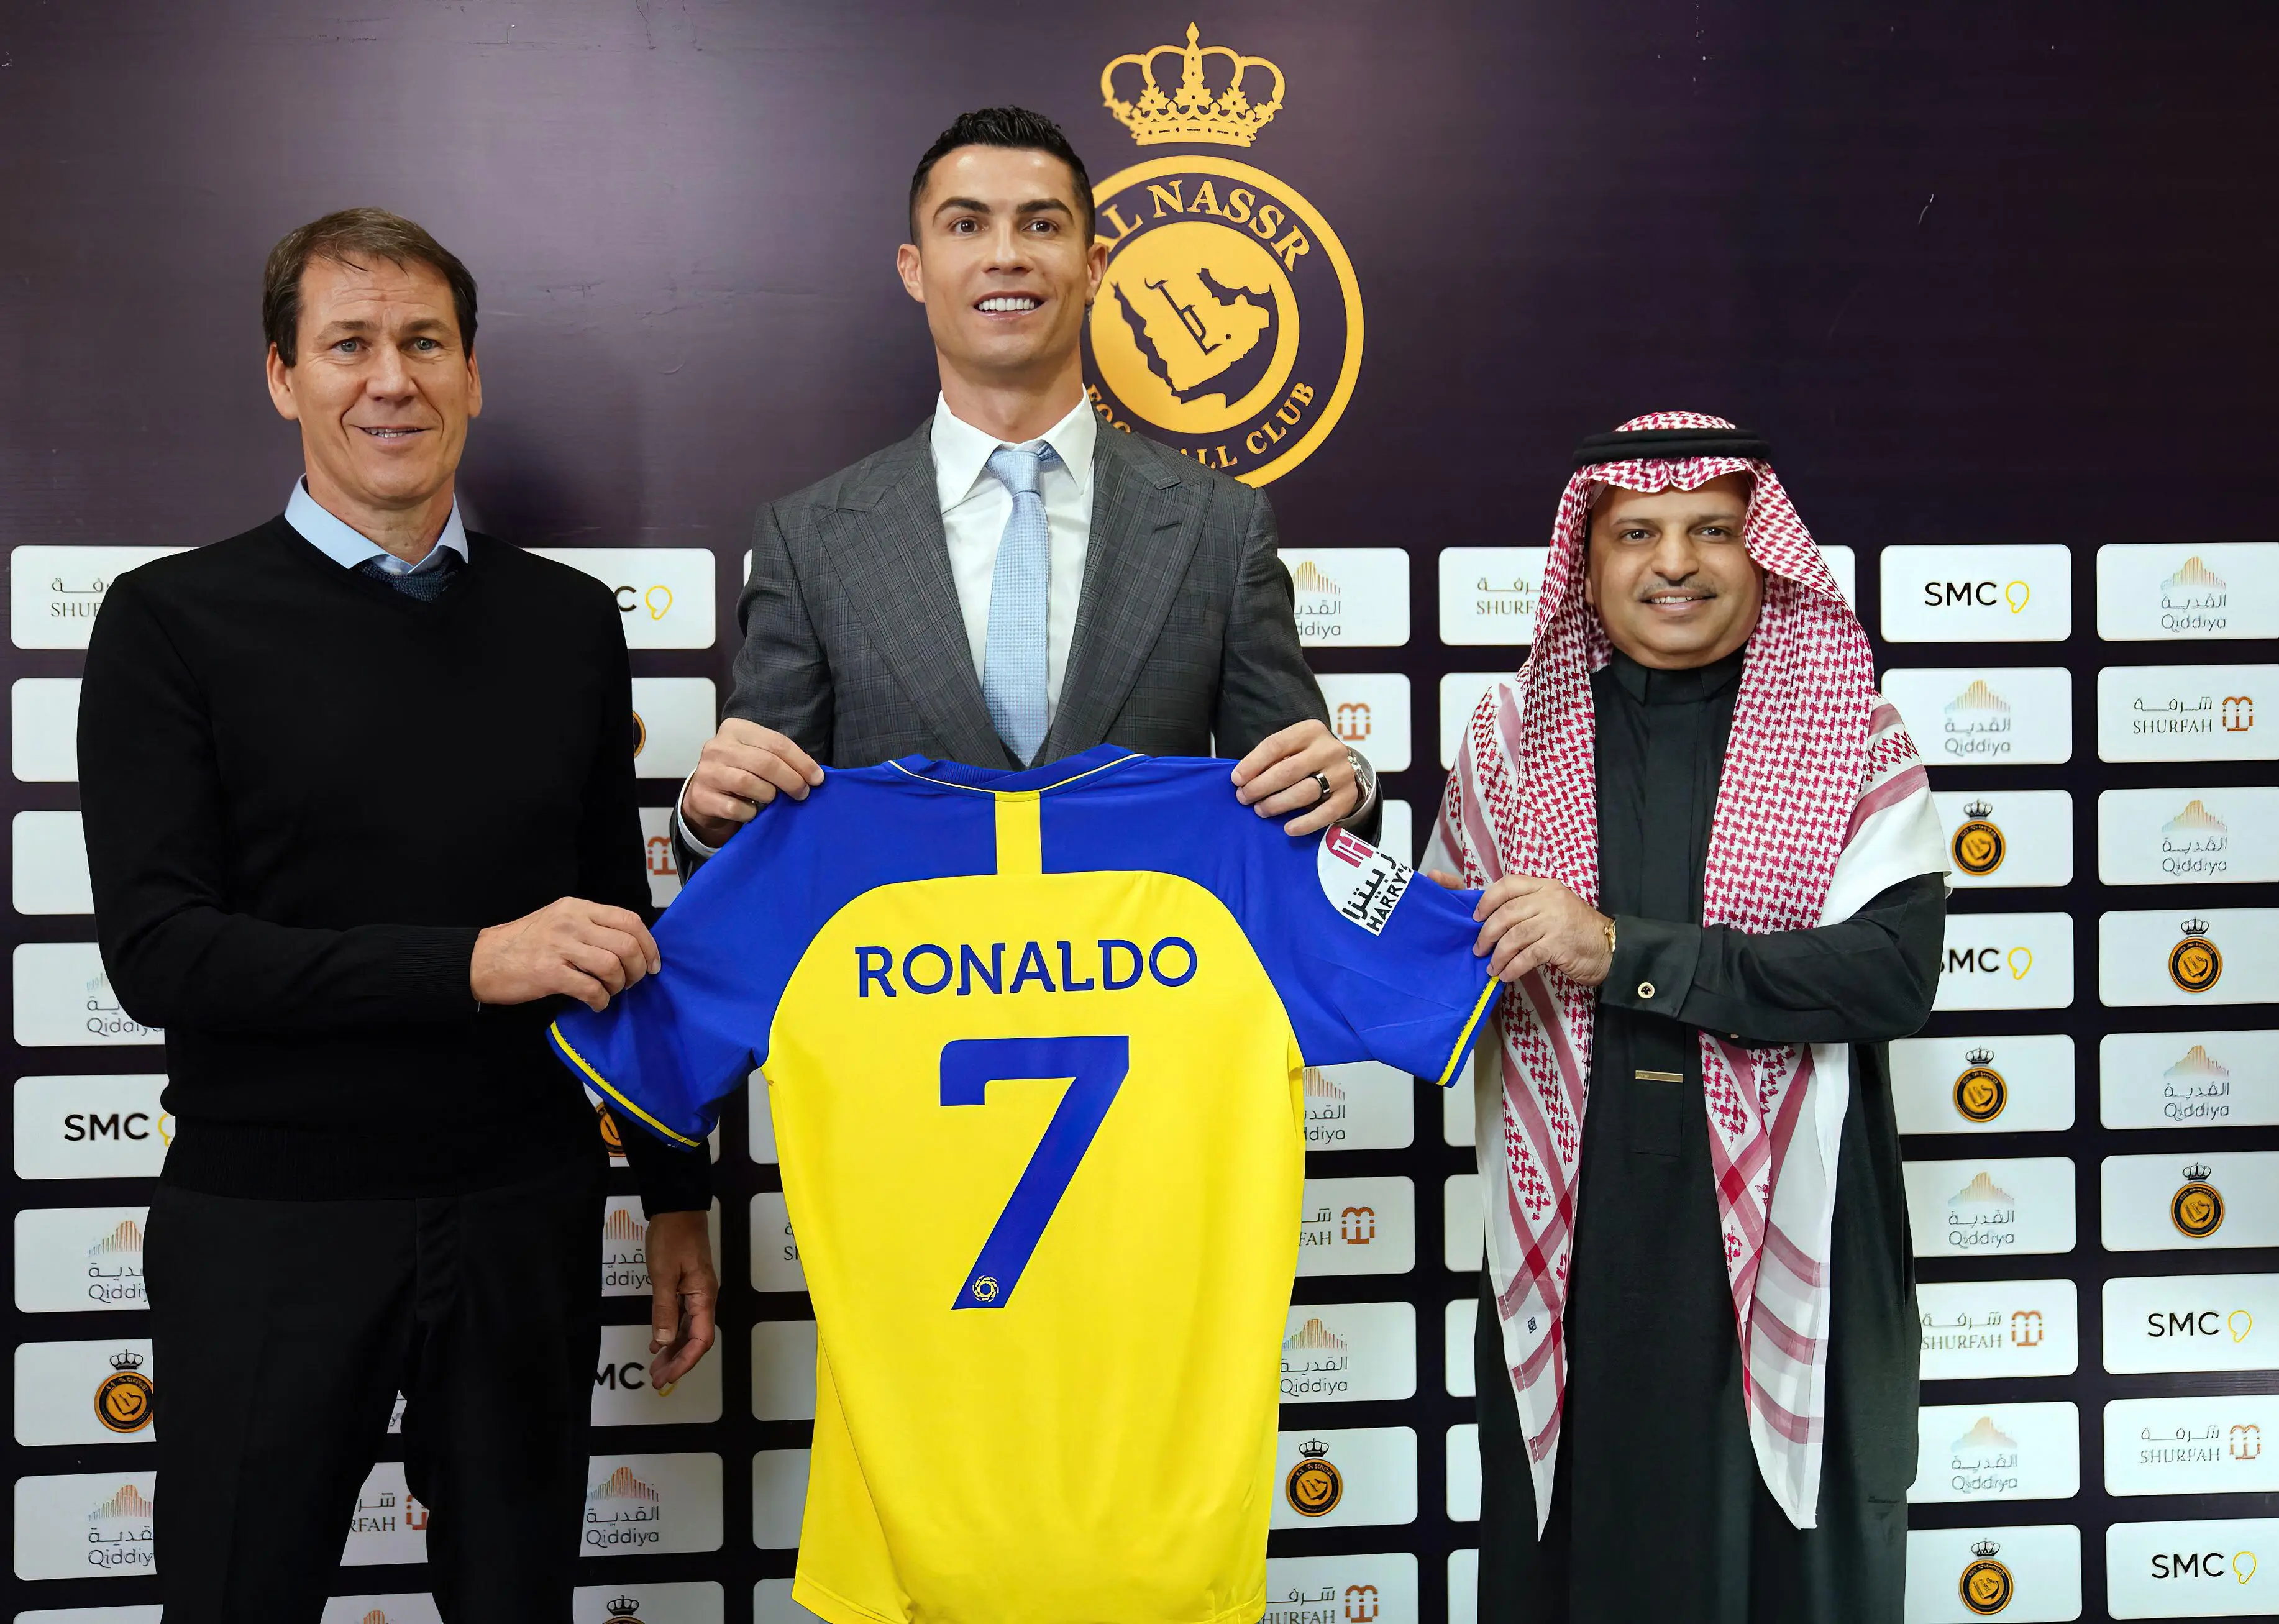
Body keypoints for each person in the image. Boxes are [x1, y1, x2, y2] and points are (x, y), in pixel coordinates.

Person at [78, 208, 715, 1622]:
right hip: (269, 1225)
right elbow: (162, 952)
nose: (391, 379)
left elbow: (620, 933)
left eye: (425, 342)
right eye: (348, 343)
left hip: (522, 1211)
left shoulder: (565, 623)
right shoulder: (169, 621)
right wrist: (475, 963)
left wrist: (677, 1195)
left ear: (473, 374)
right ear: (280, 374)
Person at [1427, 413, 1948, 1622]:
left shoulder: (1852, 733)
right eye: (1636, 534)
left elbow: (1887, 975)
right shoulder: (1508, 746)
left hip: (1801, 1228)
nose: (1674, 562)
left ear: (1760, 552)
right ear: (1589, 559)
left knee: (1790, 1567)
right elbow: (1436, 968)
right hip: (1579, 1225)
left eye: (1711, 530)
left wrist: (1613, 948)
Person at [673, 105, 1377, 879]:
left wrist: (1343, 788)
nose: (1006, 256)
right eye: (966, 226)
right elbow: (751, 844)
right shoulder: (809, 539)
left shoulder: (1220, 523)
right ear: (913, 268)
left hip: (1153, 985)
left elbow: (1300, 804)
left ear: (1096, 265)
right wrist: (708, 818)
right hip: (897, 989)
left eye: (1041, 226)